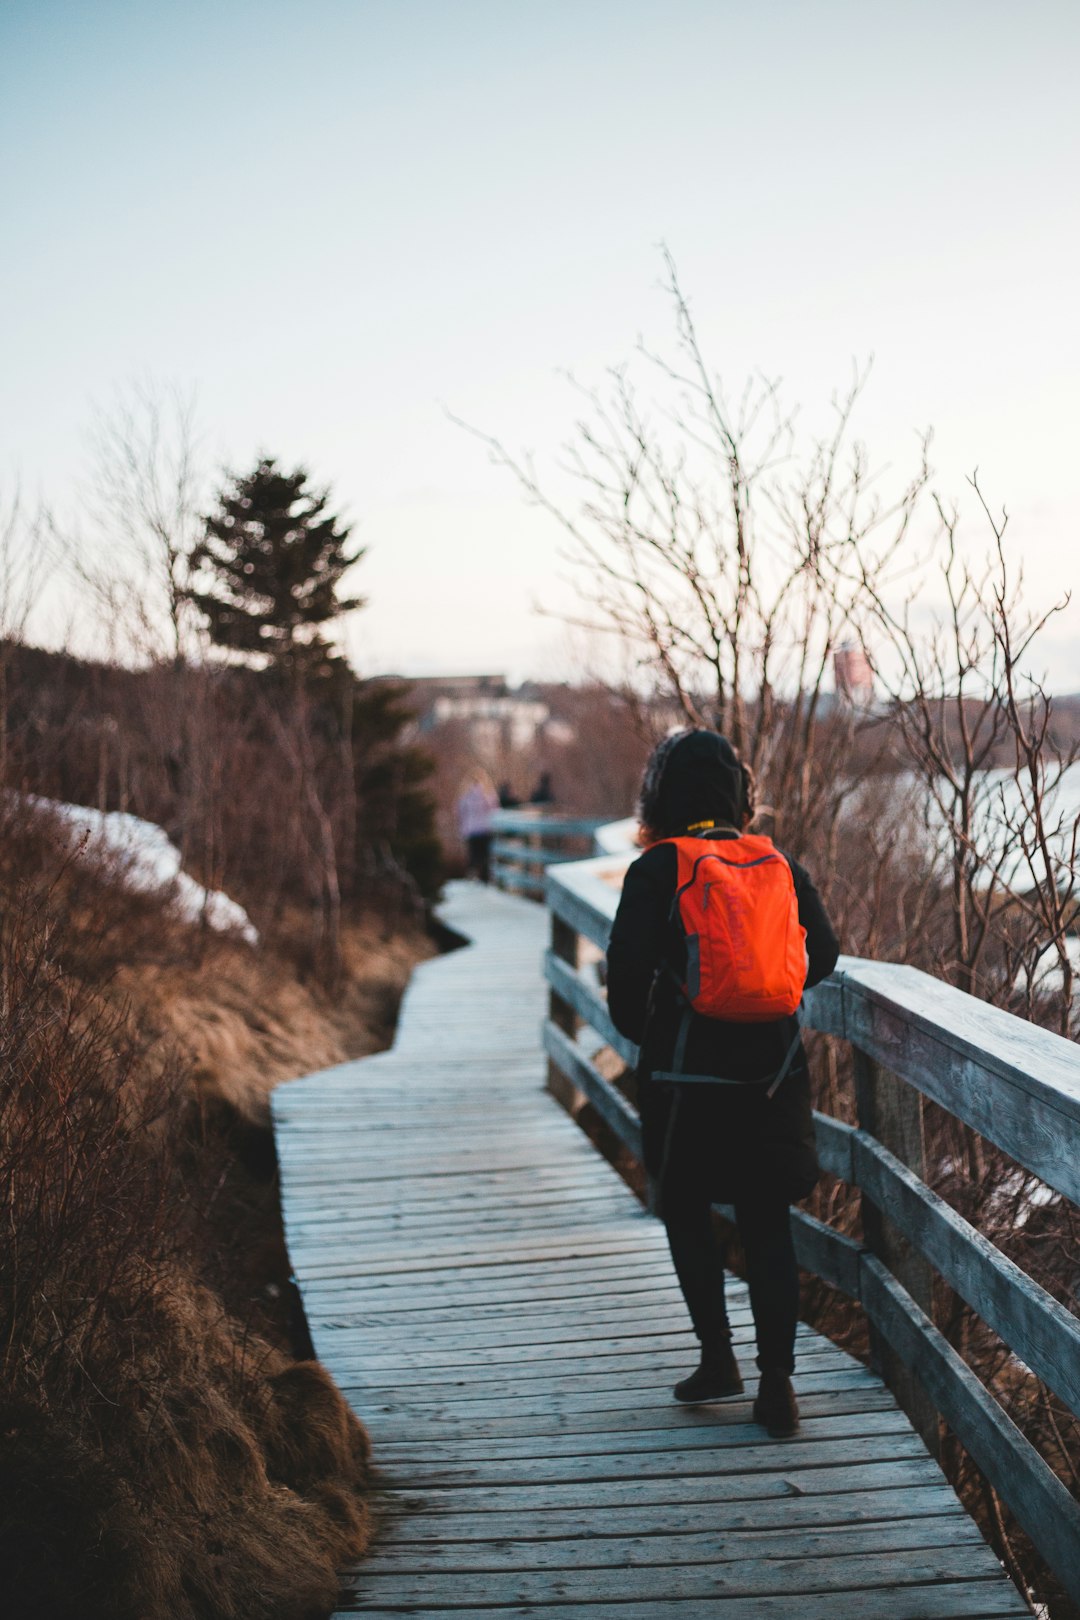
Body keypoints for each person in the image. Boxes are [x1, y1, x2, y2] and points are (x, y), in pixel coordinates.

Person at [606, 729, 839, 1437]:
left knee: (686, 1209)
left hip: (685, 1079)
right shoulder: (779, 864)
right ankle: (778, 1384)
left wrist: (666, 1029)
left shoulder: (659, 868)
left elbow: (623, 991)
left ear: (664, 796)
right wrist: (764, 997)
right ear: (740, 793)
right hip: (773, 1075)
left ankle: (718, 1359)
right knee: (768, 1222)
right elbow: (822, 956)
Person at [456, 770, 499, 883]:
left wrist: (463, 829)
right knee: (485, 855)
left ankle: (472, 875)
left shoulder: (465, 796)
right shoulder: (488, 794)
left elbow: (460, 812)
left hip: (471, 830)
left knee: (473, 855)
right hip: (486, 829)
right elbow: (495, 810)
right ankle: (485, 878)